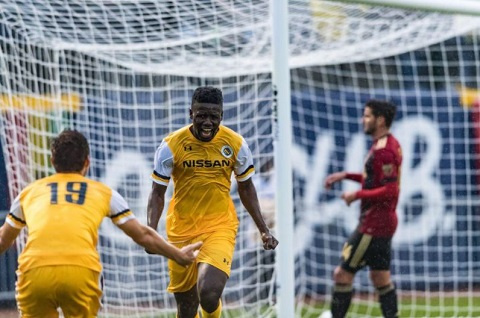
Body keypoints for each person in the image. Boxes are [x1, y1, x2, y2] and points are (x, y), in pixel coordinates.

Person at [0, 129, 202, 317]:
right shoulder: (103, 192)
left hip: (34, 272)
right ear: (87, 162)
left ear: (52, 161)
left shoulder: (29, 193)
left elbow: (3, 240)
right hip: (79, 271)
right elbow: (143, 235)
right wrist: (178, 254)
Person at [147, 86, 279, 318]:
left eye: (213, 116)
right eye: (201, 116)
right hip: (181, 231)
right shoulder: (171, 146)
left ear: (222, 116)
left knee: (208, 294)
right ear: (191, 114)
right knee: (186, 310)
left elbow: (246, 187)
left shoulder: (235, 144)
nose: (207, 122)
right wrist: (150, 231)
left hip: (219, 227)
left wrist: (263, 229)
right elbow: (157, 193)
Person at [323, 100, 402, 318]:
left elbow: (390, 190)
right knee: (380, 277)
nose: (363, 120)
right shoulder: (383, 144)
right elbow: (374, 181)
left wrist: (356, 194)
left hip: (373, 225)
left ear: (381, 120)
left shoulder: (385, 151)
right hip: (382, 222)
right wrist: (346, 176)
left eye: (367, 116)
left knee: (342, 274)